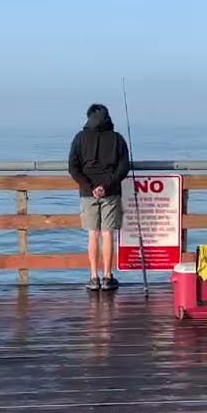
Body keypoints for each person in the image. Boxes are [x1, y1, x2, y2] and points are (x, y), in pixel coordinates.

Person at [68, 103, 131, 291]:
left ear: (89, 117)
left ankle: (93, 277)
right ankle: (107, 276)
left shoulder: (80, 138)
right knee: (107, 234)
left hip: (88, 193)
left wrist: (90, 186)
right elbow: (123, 167)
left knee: (92, 235)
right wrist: (107, 185)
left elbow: (73, 167)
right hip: (110, 192)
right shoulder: (117, 139)